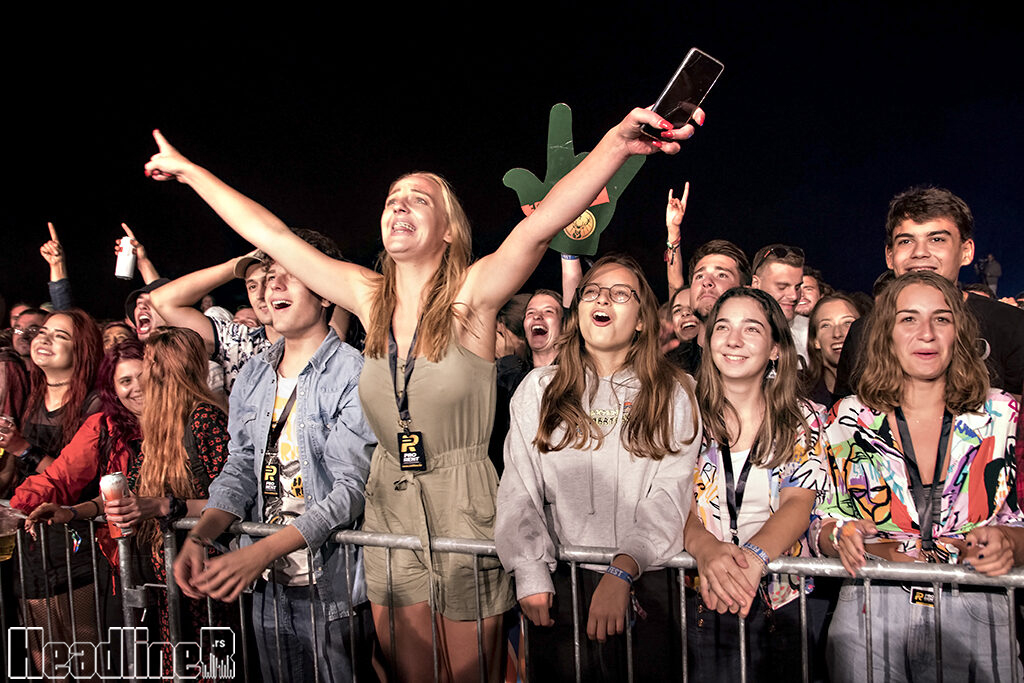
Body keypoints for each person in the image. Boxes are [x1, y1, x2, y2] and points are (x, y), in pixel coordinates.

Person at [144, 104, 704, 681]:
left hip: (463, 502)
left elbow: (542, 224)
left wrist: (617, 143)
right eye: (392, 199)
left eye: (418, 199)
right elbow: (273, 235)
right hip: (390, 498)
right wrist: (190, 172)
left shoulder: (474, 295)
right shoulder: (368, 296)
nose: (399, 206)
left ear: (448, 229)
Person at [173, 233, 377, 683]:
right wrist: (202, 536)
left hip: (329, 584)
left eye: (290, 275)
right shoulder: (253, 373)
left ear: (325, 292)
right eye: (267, 279)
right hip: (267, 584)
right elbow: (240, 467)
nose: (273, 287)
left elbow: (350, 490)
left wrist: (260, 551)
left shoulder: (355, 372)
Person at [495, 255, 700, 680]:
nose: (603, 299)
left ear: (641, 319)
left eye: (621, 293)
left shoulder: (674, 391)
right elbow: (519, 487)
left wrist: (624, 567)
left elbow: (671, 493)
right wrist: (529, 569)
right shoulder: (539, 389)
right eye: (592, 291)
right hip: (560, 585)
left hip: (647, 583)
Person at [815, 271, 1024, 682]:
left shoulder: (1001, 414)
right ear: (886, 334)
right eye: (908, 319)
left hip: (977, 602)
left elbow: (1018, 522)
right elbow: (821, 519)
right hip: (871, 604)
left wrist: (1009, 543)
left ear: (959, 333)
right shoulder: (848, 418)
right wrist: (838, 535)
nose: (926, 333)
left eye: (941, 319)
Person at [683, 287, 827, 683]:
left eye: (751, 329)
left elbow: (798, 503)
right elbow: (671, 502)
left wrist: (752, 561)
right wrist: (706, 548)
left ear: (776, 348)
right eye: (722, 327)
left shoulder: (803, 418)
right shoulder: (684, 413)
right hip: (704, 595)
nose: (733, 340)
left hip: (783, 601)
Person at [102, 326, 233, 679]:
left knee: (211, 671)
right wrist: (72, 511)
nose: (145, 373)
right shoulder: (160, 427)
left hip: (206, 574)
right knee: (175, 670)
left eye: (150, 363)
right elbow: (133, 488)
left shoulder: (205, 418)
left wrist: (164, 505)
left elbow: (229, 501)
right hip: (171, 579)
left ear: (167, 368)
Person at [835, 186, 1024, 398]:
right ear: (890, 256)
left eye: (937, 239)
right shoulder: (863, 332)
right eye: (906, 241)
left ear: (966, 251)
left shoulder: (1010, 324)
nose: (920, 252)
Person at [12, 340, 146, 639]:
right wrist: (17, 508)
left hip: (181, 556)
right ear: (112, 389)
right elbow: (60, 477)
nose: (138, 388)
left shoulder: (187, 420)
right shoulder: (104, 426)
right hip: (125, 558)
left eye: (145, 376)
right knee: (129, 653)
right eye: (125, 381)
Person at [0, 309, 104, 675]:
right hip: (33, 538)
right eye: (43, 332)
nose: (44, 338)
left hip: (75, 538)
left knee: (86, 654)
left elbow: (75, 479)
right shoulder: (34, 394)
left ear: (82, 350)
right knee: (45, 655)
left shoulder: (95, 403)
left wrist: (23, 449)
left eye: (60, 335)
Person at [667, 240, 751, 374]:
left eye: (721, 275)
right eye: (699, 276)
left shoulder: (760, 361)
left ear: (745, 291)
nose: (706, 282)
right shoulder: (671, 368)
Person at [800, 294, 862, 408]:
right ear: (815, 340)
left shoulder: (883, 387)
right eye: (826, 325)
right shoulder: (798, 392)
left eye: (847, 323)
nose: (837, 333)